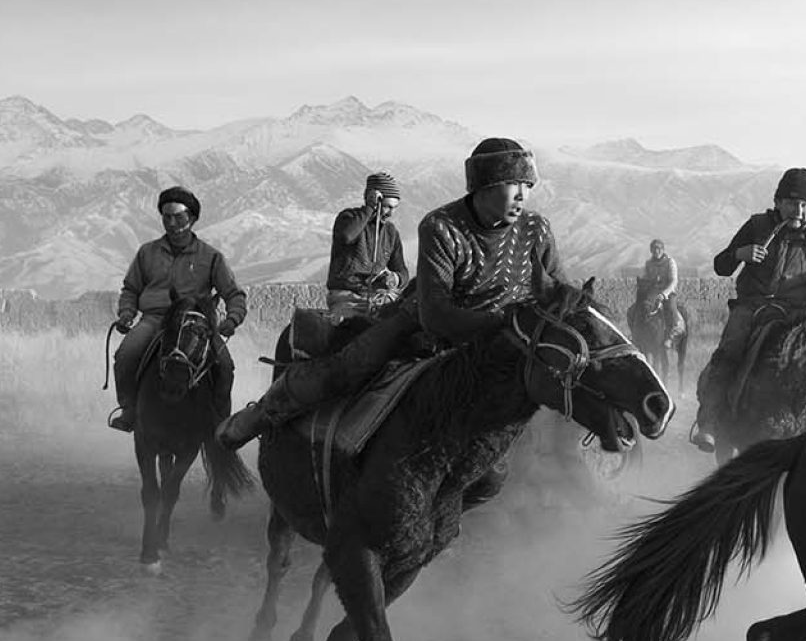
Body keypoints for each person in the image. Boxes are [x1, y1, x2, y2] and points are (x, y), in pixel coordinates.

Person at [217, 137, 565, 448]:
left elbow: (558, 289)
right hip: (415, 316)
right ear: (484, 187)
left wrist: (394, 280)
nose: (522, 194)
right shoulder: (438, 226)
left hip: (509, 333)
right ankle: (262, 414)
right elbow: (436, 310)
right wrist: (370, 211)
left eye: (527, 184)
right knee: (349, 365)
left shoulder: (536, 229)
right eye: (512, 183)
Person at [691, 168, 806, 451]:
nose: (798, 210)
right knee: (731, 349)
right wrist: (740, 254)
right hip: (753, 306)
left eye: (804, 205)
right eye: (791, 203)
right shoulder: (756, 226)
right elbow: (722, 265)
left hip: (797, 312)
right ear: (778, 202)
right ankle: (709, 421)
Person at [108, 186, 246, 431]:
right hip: (154, 319)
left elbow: (234, 294)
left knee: (224, 365)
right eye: (166, 217)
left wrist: (232, 319)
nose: (172, 223)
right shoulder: (146, 253)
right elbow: (130, 289)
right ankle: (129, 410)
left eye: (178, 217)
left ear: (191, 219)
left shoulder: (211, 256)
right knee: (125, 356)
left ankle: (221, 423)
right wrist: (127, 314)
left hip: (196, 323)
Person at [325, 171, 409, 321]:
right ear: (374, 200)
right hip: (347, 297)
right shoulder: (348, 218)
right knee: (348, 329)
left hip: (378, 297)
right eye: (387, 207)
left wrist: (395, 278)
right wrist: (369, 209)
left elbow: (402, 270)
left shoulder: (391, 232)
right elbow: (347, 236)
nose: (391, 213)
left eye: (394, 208)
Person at [633, 237, 680, 322]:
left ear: (663, 250)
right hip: (653, 292)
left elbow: (674, 281)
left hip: (668, 293)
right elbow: (646, 277)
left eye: (659, 249)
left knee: (671, 309)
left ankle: (675, 329)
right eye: (654, 249)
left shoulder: (670, 262)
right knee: (638, 309)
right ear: (651, 250)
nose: (656, 251)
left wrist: (664, 294)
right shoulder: (649, 263)